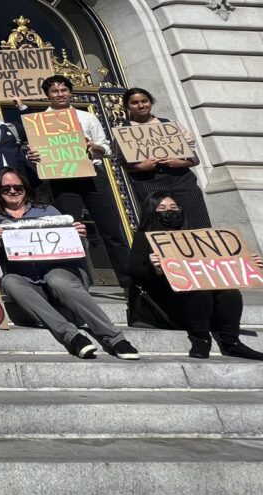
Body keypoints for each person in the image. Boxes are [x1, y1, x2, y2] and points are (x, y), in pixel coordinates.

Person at [0, 166, 139, 360]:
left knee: (56, 278)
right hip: (27, 280)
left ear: (25, 188)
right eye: (6, 189)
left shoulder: (48, 211)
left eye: (17, 187)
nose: (12, 191)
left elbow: (76, 248)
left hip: (62, 274)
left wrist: (79, 236)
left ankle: (115, 338)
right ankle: (72, 337)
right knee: (9, 281)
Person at [127, 191, 261, 360]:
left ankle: (231, 342)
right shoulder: (142, 238)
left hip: (198, 301)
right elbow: (133, 271)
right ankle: (201, 338)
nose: (169, 211)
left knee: (231, 293)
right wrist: (154, 268)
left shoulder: (196, 237)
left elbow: (216, 266)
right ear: (151, 212)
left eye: (173, 207)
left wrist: (246, 263)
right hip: (166, 299)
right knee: (199, 292)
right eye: (161, 208)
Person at [34, 75, 131, 289]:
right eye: (54, 91)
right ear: (47, 95)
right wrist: (33, 156)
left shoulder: (87, 117)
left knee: (111, 229)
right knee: (69, 232)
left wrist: (92, 147)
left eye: (64, 90)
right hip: (63, 178)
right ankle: (76, 284)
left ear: (70, 92)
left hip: (93, 174)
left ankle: (130, 285)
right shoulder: (39, 122)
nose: (60, 94)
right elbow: (38, 151)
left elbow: (106, 148)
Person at [117, 87, 210, 229]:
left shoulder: (169, 125)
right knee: (159, 224)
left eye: (144, 101)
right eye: (135, 103)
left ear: (151, 102)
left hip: (181, 180)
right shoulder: (124, 131)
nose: (141, 105)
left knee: (196, 219)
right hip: (148, 182)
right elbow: (122, 163)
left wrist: (179, 162)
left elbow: (195, 160)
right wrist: (139, 167)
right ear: (127, 106)